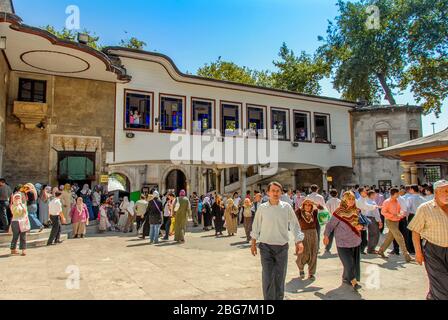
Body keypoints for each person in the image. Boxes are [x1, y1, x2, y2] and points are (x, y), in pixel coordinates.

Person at [251, 181, 304, 300]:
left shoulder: (286, 207)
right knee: (268, 276)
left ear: (281, 192)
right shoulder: (262, 208)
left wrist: (298, 241)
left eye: (277, 191)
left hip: (282, 247)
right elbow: (256, 226)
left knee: (280, 277)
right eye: (273, 191)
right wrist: (253, 242)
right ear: (268, 192)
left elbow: (295, 225)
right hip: (266, 248)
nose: (275, 193)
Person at [408, 180, 448, 300]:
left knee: (440, 284)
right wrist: (418, 252)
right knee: (442, 284)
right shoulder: (425, 208)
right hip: (433, 251)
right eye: (444, 191)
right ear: (435, 192)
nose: (447, 194)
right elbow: (415, 231)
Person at [324, 191, 363, 291]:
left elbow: (364, 224)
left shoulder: (357, 211)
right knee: (349, 263)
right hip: (342, 243)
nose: (351, 201)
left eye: (353, 199)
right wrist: (326, 236)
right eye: (349, 199)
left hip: (355, 241)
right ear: (344, 200)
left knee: (352, 263)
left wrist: (361, 227)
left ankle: (346, 278)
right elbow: (330, 225)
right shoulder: (339, 212)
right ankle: (354, 282)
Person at [377, 188, 412, 262]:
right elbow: (383, 212)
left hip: (396, 221)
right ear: (393, 194)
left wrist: (401, 214)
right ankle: (406, 255)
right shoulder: (386, 202)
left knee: (389, 238)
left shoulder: (397, 201)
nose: (398, 195)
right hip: (390, 221)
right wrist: (392, 215)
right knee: (400, 237)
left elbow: (400, 210)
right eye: (397, 194)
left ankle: (381, 250)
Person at [295, 199, 319, 280]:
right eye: (306, 205)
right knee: (303, 253)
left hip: (313, 234)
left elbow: (323, 209)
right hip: (303, 234)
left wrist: (314, 203)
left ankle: (311, 273)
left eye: (309, 205)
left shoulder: (314, 212)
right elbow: (296, 213)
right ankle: (301, 269)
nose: (308, 206)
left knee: (313, 253)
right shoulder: (299, 213)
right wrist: (303, 203)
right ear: (303, 205)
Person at [356, 187, 379, 254]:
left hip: (363, 219)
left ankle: (361, 250)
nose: (366, 192)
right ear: (361, 193)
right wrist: (374, 206)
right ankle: (360, 250)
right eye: (364, 191)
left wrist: (375, 206)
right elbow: (366, 206)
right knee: (362, 236)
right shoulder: (360, 200)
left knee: (363, 235)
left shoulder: (364, 199)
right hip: (361, 220)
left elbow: (367, 205)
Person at [405, 184, 427, 255]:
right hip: (421, 215)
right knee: (419, 232)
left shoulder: (410, 198)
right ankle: (419, 248)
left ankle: (411, 249)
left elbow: (407, 208)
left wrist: (406, 217)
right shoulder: (423, 198)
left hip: (412, 215)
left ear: (412, 189)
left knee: (411, 232)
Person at [324, 189, 341, 253]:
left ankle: (327, 248)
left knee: (329, 235)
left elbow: (326, 211)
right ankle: (340, 248)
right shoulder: (339, 201)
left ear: (330, 194)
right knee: (339, 235)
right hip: (339, 219)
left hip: (331, 219)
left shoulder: (328, 202)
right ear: (337, 194)